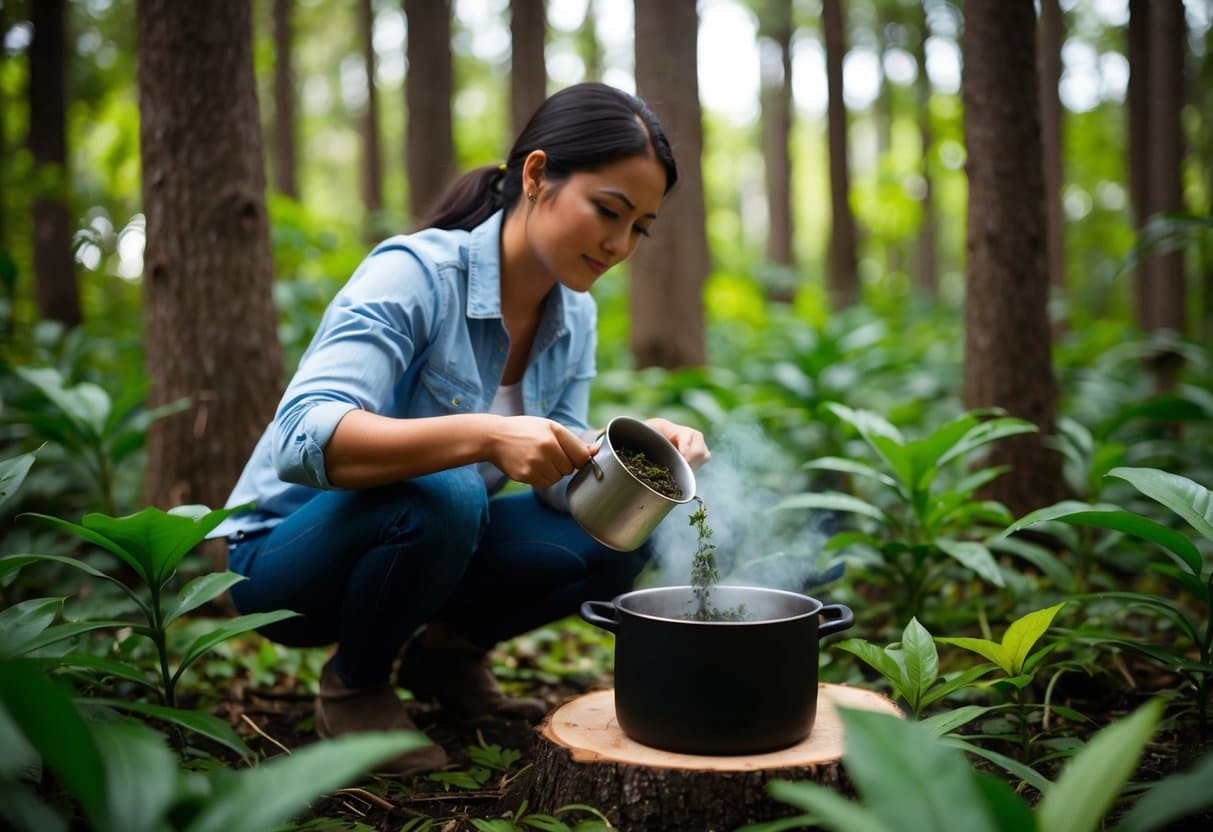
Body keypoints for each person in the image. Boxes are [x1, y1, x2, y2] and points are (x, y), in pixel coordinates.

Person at [215, 82, 710, 776]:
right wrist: (481, 435)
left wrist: (624, 458)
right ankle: (355, 686)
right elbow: (303, 436)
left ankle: (444, 661)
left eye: (639, 227)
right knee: (447, 488)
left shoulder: (573, 315)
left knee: (623, 528)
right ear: (536, 175)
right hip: (283, 559)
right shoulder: (413, 275)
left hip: (426, 544)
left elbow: (555, 481)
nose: (618, 243)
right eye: (608, 211)